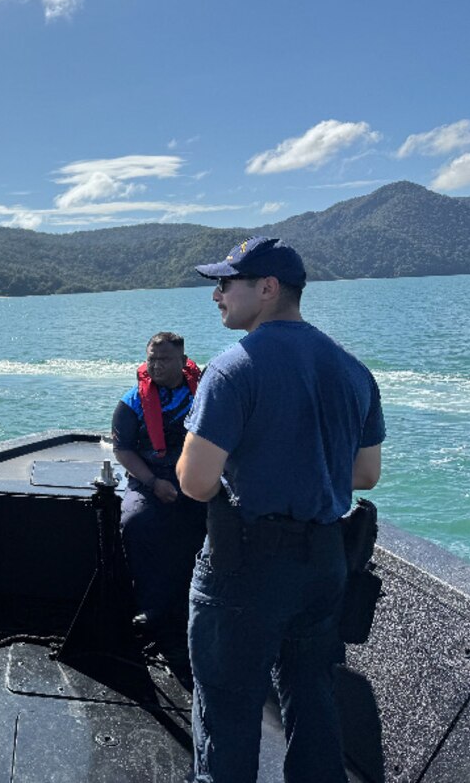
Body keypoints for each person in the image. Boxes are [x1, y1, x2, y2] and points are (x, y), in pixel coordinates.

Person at [176, 237, 385, 783]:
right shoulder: (353, 370)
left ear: (267, 289)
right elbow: (365, 475)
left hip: (246, 569)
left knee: (227, 710)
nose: (217, 295)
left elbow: (196, 484)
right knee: (313, 701)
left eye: (226, 283)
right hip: (325, 565)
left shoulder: (232, 370)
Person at [110, 332, 205, 684]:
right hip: (152, 479)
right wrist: (153, 483)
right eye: (151, 359)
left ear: (183, 361)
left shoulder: (205, 394)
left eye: (164, 360)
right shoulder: (133, 401)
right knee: (135, 522)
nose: (156, 366)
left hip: (198, 478)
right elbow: (124, 451)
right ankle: (150, 608)